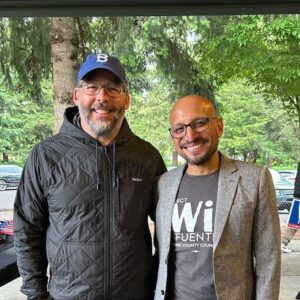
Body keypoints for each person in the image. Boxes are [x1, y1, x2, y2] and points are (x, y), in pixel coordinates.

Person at [14, 53, 166, 300]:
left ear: (126, 99)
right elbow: (27, 230)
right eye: (91, 87)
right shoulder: (46, 156)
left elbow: (167, 229)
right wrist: (36, 295)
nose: (102, 97)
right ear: (77, 96)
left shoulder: (146, 157)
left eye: (112, 88)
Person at [154, 95, 281, 299]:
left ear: (219, 126)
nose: (190, 136)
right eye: (179, 129)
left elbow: (269, 261)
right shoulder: (163, 184)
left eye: (199, 123)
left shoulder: (255, 179)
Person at [281, 161, 300, 253]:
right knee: (295, 221)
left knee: (295, 221)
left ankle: (283, 243)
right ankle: (283, 242)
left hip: (298, 194)